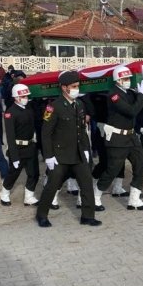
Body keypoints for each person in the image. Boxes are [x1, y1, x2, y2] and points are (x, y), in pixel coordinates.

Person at [35, 71, 98, 228]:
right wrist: (48, 156)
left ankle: (88, 216)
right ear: (64, 88)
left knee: (87, 184)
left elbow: (81, 130)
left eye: (78, 86)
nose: (77, 88)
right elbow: (46, 133)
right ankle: (41, 215)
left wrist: (86, 150)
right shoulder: (53, 107)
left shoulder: (79, 104)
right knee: (52, 185)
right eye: (74, 86)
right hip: (60, 155)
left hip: (78, 153)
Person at [93, 65, 143, 211]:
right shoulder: (113, 95)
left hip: (131, 137)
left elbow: (140, 107)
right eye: (124, 78)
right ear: (118, 80)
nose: (127, 81)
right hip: (117, 138)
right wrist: (142, 96)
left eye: (128, 78)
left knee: (141, 165)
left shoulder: (129, 93)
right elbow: (131, 111)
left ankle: (134, 199)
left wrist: (142, 94)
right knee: (113, 170)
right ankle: (95, 197)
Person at [0, 84, 40, 207]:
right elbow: (10, 136)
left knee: (34, 173)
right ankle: (4, 193)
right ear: (16, 97)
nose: (26, 98)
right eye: (23, 96)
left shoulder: (28, 108)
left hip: (30, 147)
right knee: (13, 173)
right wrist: (14, 156)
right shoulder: (10, 112)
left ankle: (29, 197)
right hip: (18, 148)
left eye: (27, 96)